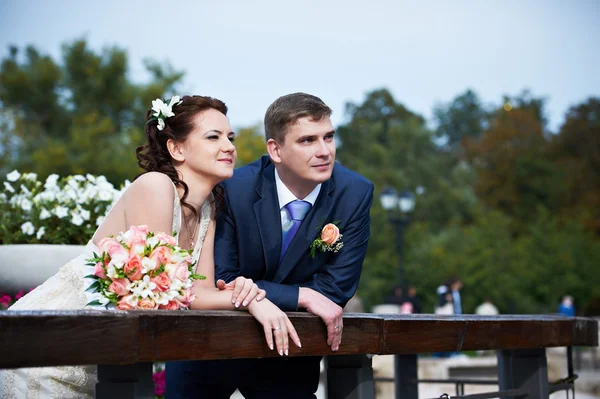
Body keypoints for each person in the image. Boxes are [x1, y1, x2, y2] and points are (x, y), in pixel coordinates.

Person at [0, 95, 300, 398]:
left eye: (230, 137)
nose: (230, 146)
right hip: (47, 350)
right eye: (214, 137)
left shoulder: (209, 206)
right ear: (176, 148)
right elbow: (165, 287)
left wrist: (249, 294)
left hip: (99, 360)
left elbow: (201, 293)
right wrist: (249, 300)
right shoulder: (155, 187)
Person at [166, 92, 374, 398]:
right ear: (275, 150)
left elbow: (335, 290)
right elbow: (223, 276)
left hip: (289, 353)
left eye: (328, 137)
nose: (324, 151)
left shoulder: (354, 193)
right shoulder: (232, 188)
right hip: (209, 348)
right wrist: (301, 294)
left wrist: (282, 297)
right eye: (307, 141)